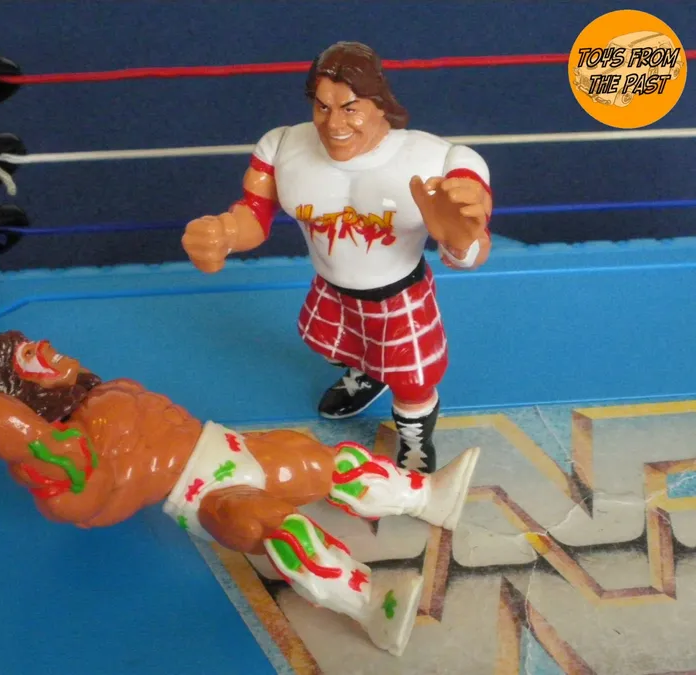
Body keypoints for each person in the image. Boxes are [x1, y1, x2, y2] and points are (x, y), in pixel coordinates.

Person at [0, 329, 481, 657]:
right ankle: (371, 606)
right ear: (17, 395)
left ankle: (427, 498)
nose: (46, 349)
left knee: (330, 461)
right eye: (29, 355)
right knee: (284, 530)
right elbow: (29, 445)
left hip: (232, 447)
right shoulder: (70, 454)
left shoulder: (105, 394)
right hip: (208, 495)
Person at [182, 41, 493, 474]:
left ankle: (415, 443)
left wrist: (459, 239)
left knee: (413, 382)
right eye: (322, 107)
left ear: (380, 104)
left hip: (399, 296)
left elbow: (473, 251)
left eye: (350, 108)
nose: (334, 124)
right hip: (332, 289)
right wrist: (223, 233)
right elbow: (253, 214)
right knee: (331, 346)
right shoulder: (281, 146)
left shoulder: (445, 162)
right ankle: (367, 373)